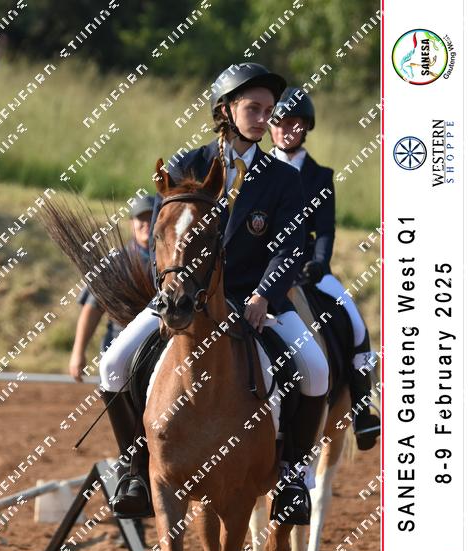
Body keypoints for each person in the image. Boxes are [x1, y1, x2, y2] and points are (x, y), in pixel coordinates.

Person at [98, 63, 330, 521]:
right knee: (112, 365)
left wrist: (264, 295)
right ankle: (134, 469)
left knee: (316, 370)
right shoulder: (186, 165)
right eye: (253, 108)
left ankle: (292, 476)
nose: (264, 118)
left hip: (252, 299)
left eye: (268, 110)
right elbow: (162, 238)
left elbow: (290, 248)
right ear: (226, 110)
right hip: (183, 297)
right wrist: (171, 290)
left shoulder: (284, 179)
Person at [268, 87, 380, 450]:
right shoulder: (256, 170)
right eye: (280, 122)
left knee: (356, 323)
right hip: (264, 269)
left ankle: (362, 411)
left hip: (308, 270)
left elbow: (326, 230)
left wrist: (318, 263)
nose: (286, 129)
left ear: (306, 128)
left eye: (294, 123)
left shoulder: (320, 176)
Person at [68, 196, 154, 381]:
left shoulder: (174, 262)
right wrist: (78, 352)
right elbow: (92, 309)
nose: (147, 223)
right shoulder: (114, 262)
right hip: (120, 345)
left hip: (160, 346)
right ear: (131, 223)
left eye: (152, 217)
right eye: (141, 218)